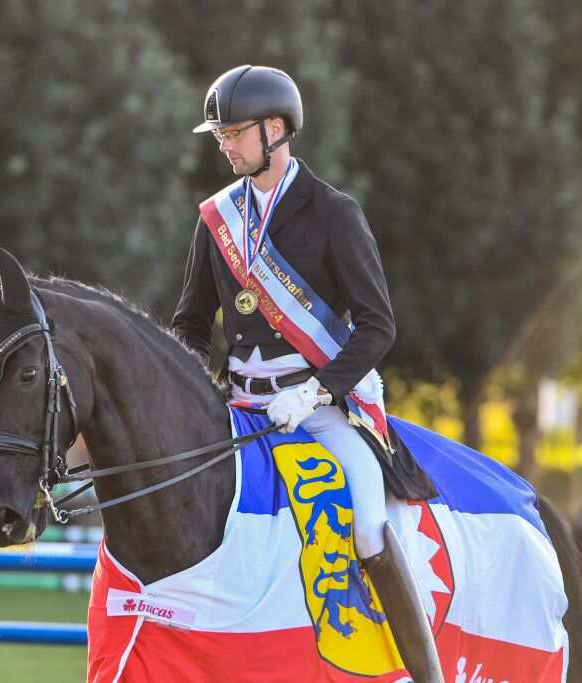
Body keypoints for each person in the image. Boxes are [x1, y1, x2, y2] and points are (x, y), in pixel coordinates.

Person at [172, 65, 443, 683]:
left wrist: (316, 392)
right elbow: (191, 323)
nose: (225, 146)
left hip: (319, 406)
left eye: (234, 133)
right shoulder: (217, 219)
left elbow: (377, 327)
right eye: (221, 136)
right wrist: (192, 392)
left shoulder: (333, 213)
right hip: (238, 405)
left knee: (368, 519)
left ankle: (425, 671)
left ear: (275, 129)